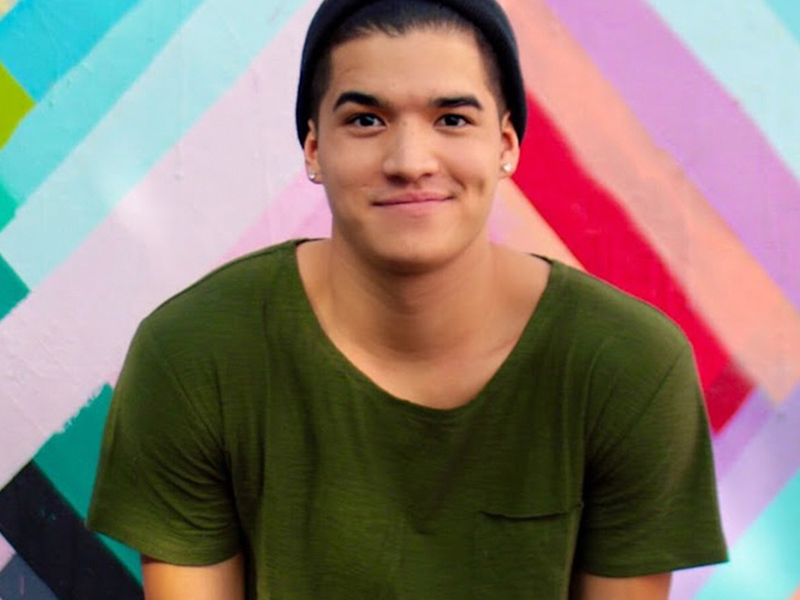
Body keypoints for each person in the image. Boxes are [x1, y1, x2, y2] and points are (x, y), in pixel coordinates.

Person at [87, 0, 728, 598]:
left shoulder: (627, 365)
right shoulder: (197, 355)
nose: (410, 161)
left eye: (452, 119)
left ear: (505, 145)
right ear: (314, 148)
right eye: (366, 120)